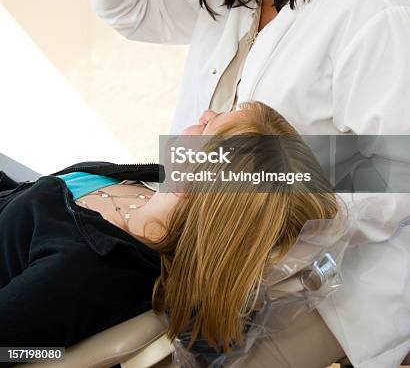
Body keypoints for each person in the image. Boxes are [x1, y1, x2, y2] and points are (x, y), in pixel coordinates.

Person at [87, 0, 410, 366]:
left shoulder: (373, 5)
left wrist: (234, 185)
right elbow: (129, 8)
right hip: (205, 233)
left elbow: (394, 174)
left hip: (333, 280)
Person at [0, 102, 343, 367]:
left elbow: (8, 350)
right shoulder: (150, 185)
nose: (205, 113)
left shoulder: (85, 267)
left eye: (210, 123)